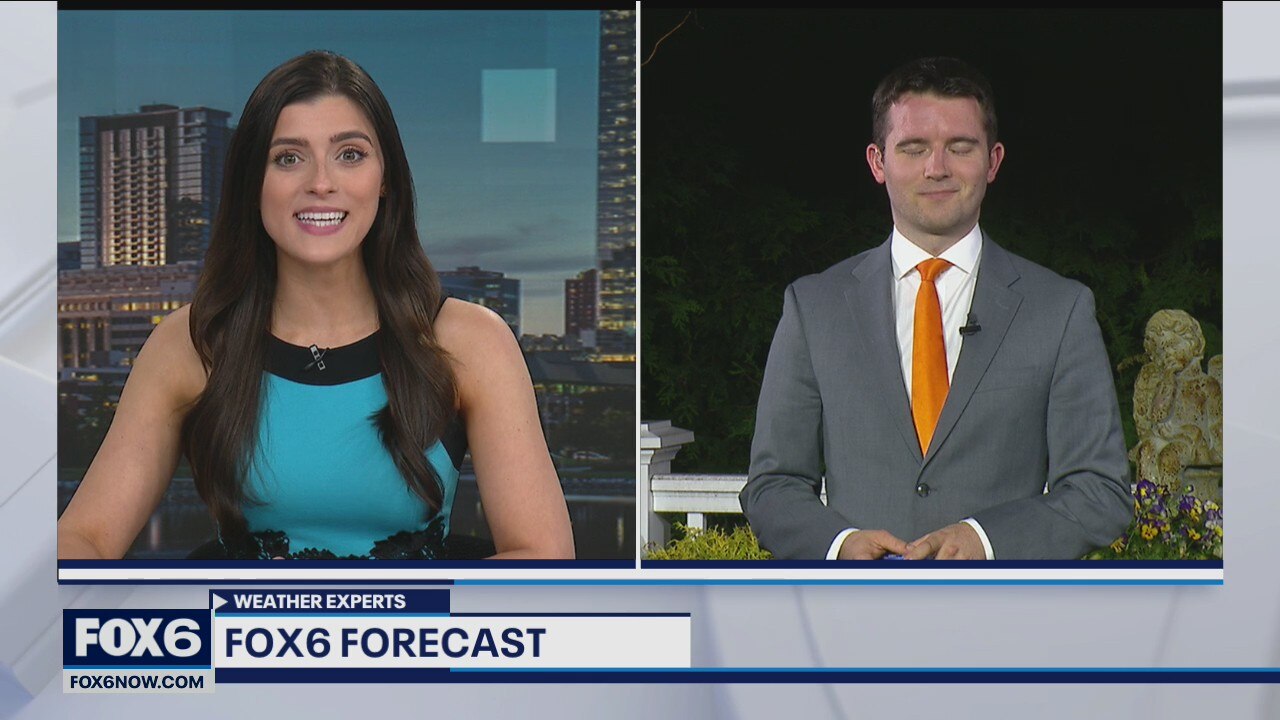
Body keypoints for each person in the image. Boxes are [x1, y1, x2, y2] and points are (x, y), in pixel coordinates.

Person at [57, 51, 575, 560]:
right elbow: (84, 537)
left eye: (350, 154)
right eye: (288, 158)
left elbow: (542, 554)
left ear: (386, 178)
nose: (321, 183)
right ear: (252, 184)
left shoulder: (470, 340)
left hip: (421, 620)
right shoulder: (190, 342)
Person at [739, 57, 1132, 561]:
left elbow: (1100, 492)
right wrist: (839, 546)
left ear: (993, 161)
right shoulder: (814, 308)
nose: (937, 167)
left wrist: (986, 540)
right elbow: (773, 486)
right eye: (914, 148)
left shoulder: (1060, 310)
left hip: (1000, 607)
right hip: (857, 607)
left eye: (960, 147)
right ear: (878, 162)